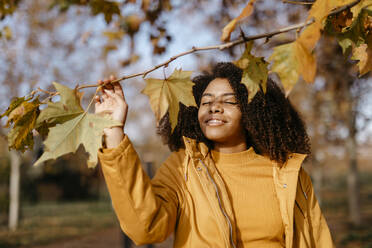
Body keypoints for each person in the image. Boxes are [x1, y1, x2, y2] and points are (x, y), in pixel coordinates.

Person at [95, 62, 334, 248]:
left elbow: (316, 239)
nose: (214, 107)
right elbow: (145, 227)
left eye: (229, 101)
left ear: (252, 110)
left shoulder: (288, 172)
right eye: (206, 102)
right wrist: (113, 130)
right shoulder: (182, 167)